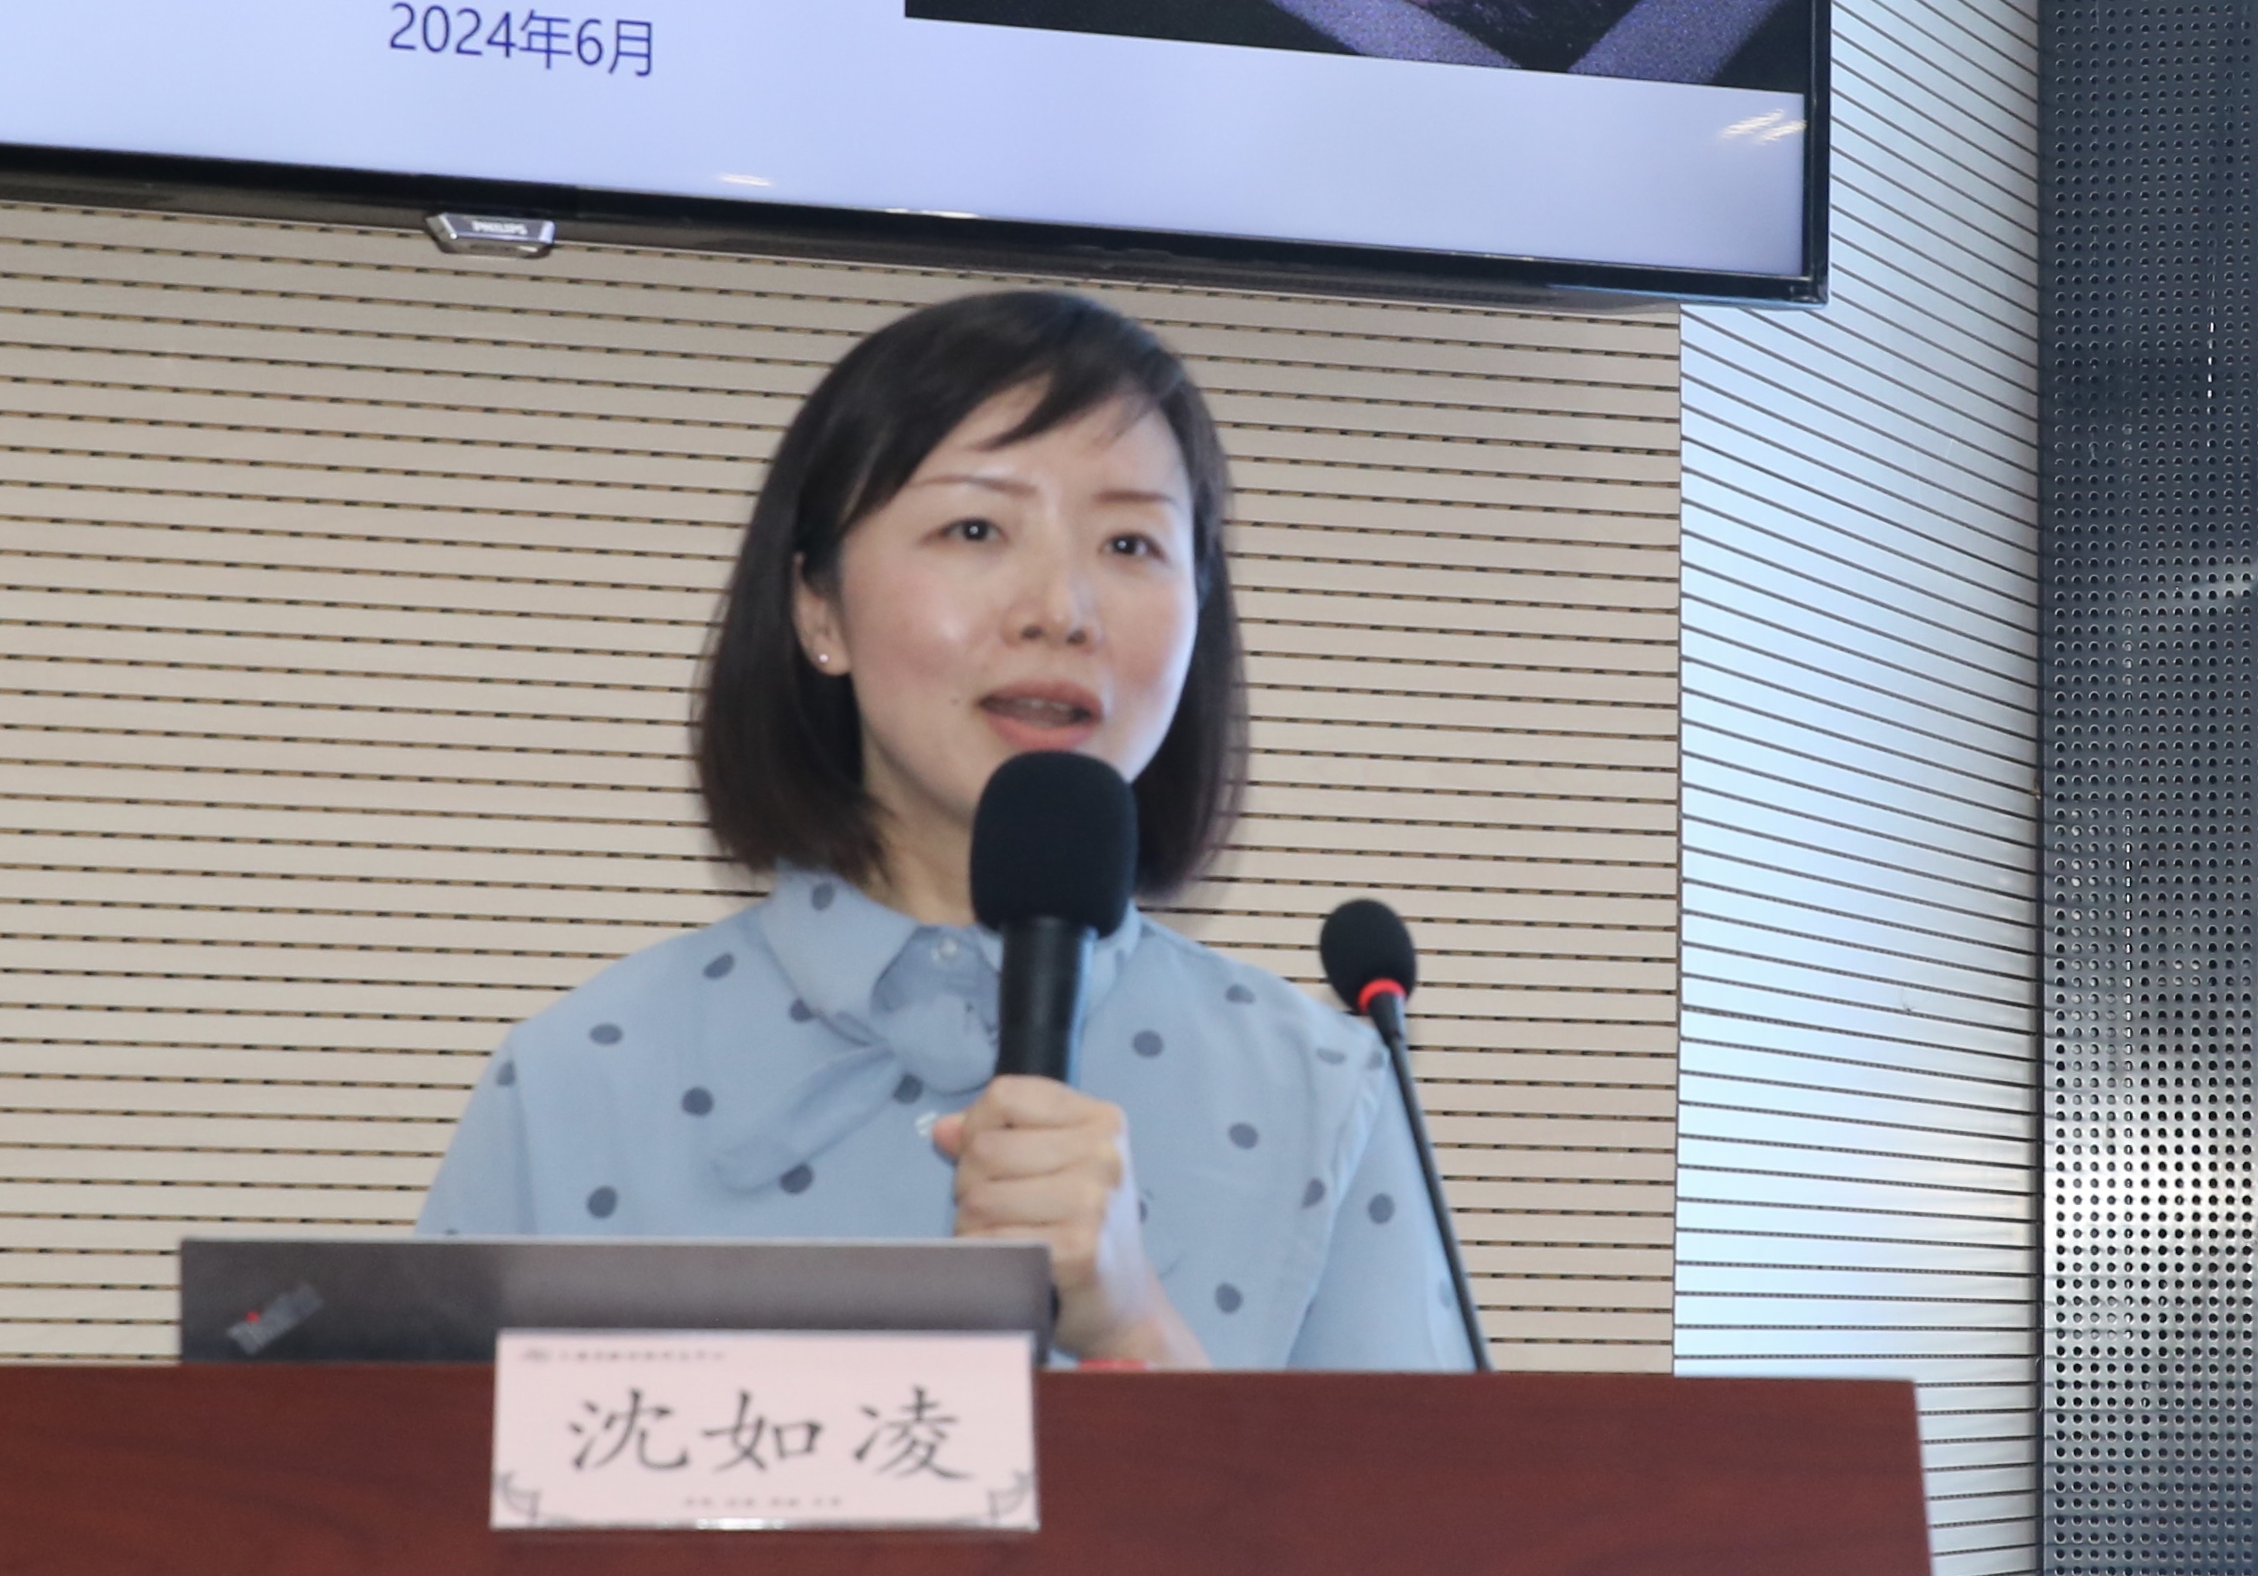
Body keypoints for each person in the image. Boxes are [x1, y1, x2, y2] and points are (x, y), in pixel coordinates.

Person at [418, 290, 1469, 1371]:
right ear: (818, 606)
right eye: (975, 529)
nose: (1060, 609)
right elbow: (421, 1477)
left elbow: (1418, 1494)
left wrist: (1134, 1332)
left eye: (1130, 542)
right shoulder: (575, 1082)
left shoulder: (1323, 1090)